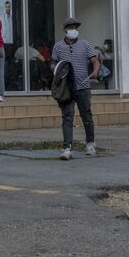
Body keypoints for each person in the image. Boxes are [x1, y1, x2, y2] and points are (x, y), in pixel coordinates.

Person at [51, 16, 99, 160]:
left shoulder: (85, 44)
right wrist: (57, 71)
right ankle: (67, 147)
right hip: (66, 88)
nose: (73, 30)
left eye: (75, 27)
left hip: (83, 86)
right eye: (71, 27)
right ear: (65, 30)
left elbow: (95, 61)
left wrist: (96, 69)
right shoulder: (58, 47)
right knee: (67, 117)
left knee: (87, 115)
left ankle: (90, 144)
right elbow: (53, 63)